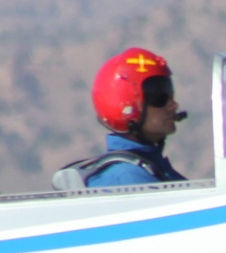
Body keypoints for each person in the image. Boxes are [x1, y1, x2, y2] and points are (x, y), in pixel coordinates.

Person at [80, 47, 189, 188]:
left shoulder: (151, 170)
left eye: (170, 94)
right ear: (127, 105)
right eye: (160, 96)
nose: (173, 105)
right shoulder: (128, 179)